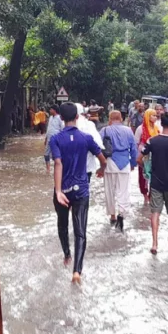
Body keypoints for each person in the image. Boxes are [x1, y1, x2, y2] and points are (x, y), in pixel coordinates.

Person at [50, 103, 107, 284]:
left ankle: (67, 255)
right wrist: (102, 169)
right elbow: (101, 157)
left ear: (60, 118)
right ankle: (77, 272)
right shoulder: (87, 138)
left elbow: (58, 164)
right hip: (81, 190)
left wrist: (58, 191)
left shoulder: (55, 139)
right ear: (77, 117)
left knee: (62, 225)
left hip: (63, 190)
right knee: (80, 230)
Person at [139, 112, 168, 255]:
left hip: (156, 183)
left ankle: (154, 243)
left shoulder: (152, 141)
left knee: (155, 212)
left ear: (161, 123)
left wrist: (147, 170)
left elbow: (139, 159)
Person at [100, 110, 137, 231]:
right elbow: (134, 149)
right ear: (121, 118)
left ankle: (112, 216)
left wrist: (100, 166)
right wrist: (133, 164)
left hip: (110, 163)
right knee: (123, 191)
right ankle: (121, 214)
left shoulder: (105, 130)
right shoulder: (128, 131)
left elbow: (98, 148)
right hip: (124, 164)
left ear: (110, 118)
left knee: (110, 191)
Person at [134, 109, 158, 204]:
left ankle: (151, 195)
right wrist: (137, 157)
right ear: (147, 116)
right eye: (153, 115)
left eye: (156, 115)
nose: (155, 117)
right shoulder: (140, 128)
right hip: (143, 156)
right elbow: (135, 143)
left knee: (154, 176)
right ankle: (145, 196)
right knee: (143, 176)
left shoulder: (157, 128)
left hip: (154, 156)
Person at [76, 103, 105, 180]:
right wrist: (102, 167)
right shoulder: (88, 125)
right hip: (86, 166)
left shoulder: (63, 126)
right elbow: (99, 145)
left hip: (67, 169)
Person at [44, 105, 64, 174]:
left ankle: (57, 169)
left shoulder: (59, 118)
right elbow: (48, 129)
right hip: (49, 139)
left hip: (56, 140)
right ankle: (48, 169)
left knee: (56, 155)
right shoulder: (50, 118)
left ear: (54, 110)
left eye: (51, 109)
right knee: (46, 154)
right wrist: (46, 138)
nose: (50, 111)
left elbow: (62, 129)